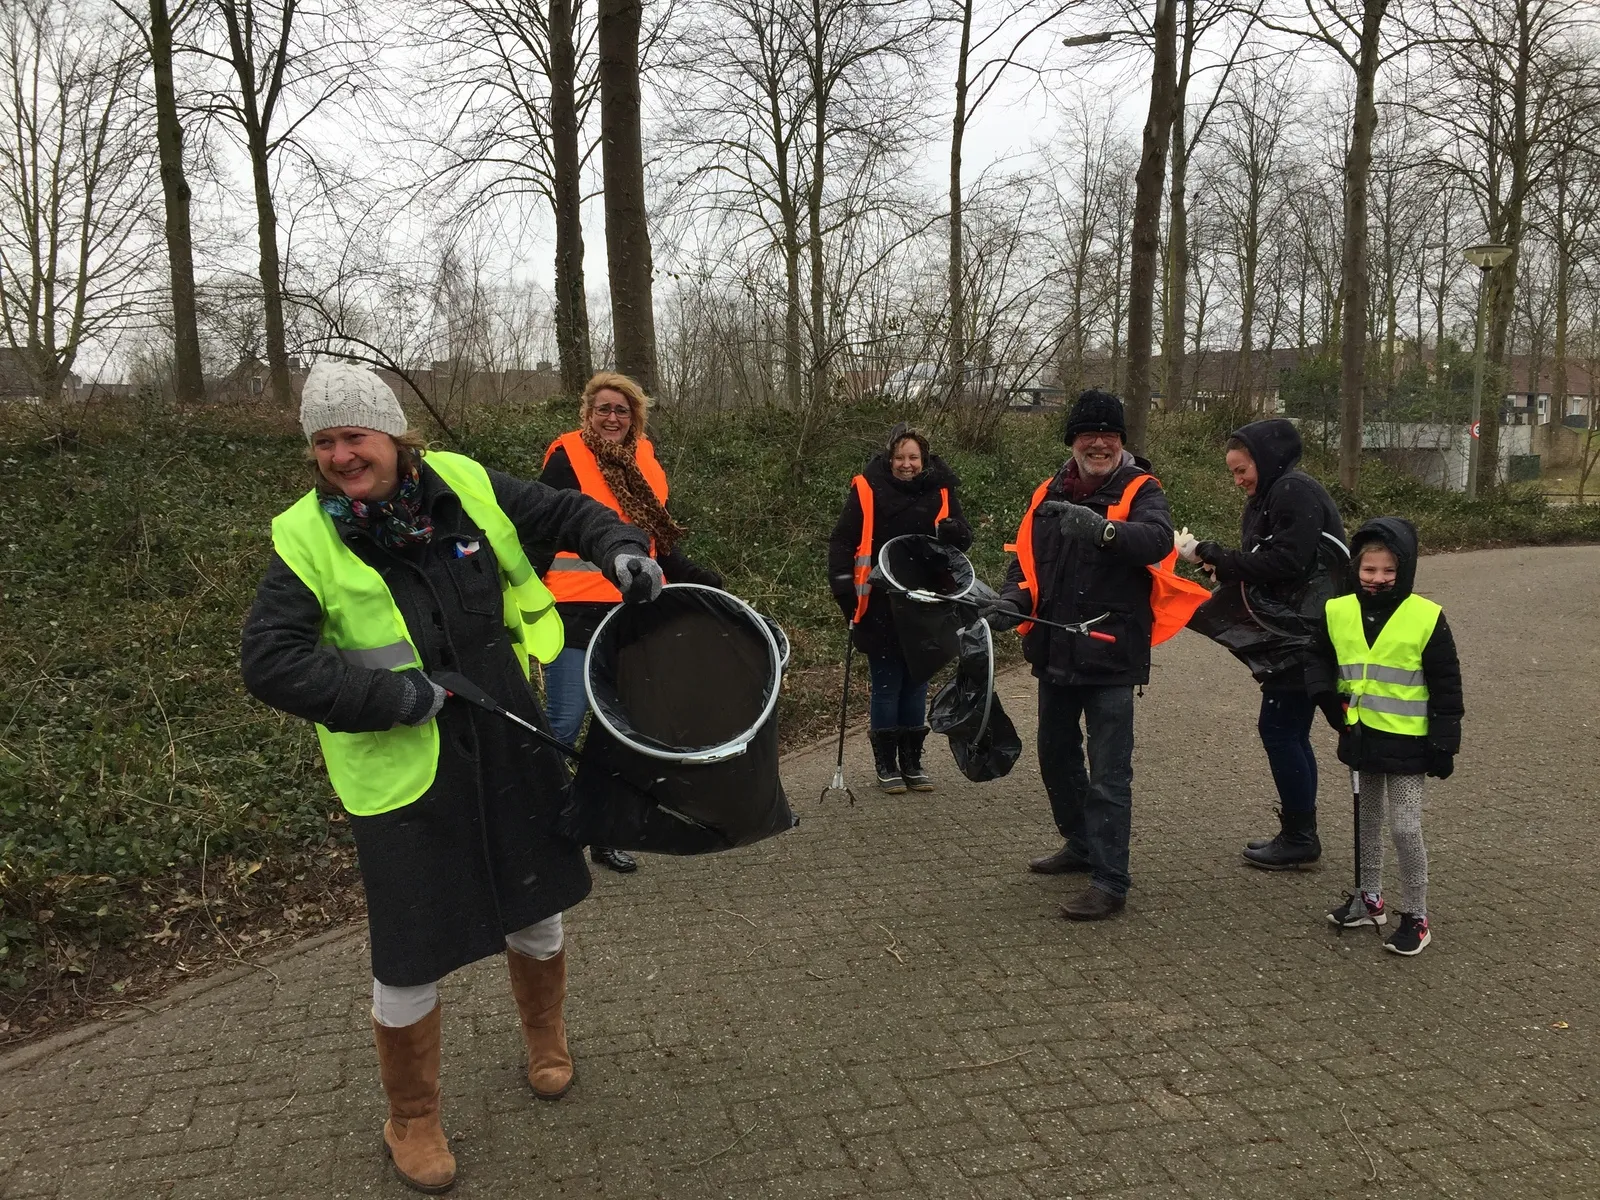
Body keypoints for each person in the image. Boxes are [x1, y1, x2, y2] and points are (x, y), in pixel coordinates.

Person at [241, 361, 662, 1194]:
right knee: (409, 952)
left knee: (536, 905)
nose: (338, 455)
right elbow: (270, 662)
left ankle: (546, 1039)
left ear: (393, 436)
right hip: (401, 769)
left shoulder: (465, 483)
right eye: (322, 442)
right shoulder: (305, 537)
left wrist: (620, 552)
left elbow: (573, 509)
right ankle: (413, 1117)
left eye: (352, 436)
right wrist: (390, 695)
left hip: (505, 731)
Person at [984, 390, 1177, 920]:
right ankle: (1080, 842)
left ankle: (1111, 879)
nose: (1099, 443)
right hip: (1054, 651)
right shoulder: (1045, 493)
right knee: (1056, 756)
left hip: (1112, 654)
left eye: (1110, 435)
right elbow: (1026, 562)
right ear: (1072, 440)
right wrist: (1009, 602)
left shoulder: (1142, 488)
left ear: (1121, 441)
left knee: (1110, 772)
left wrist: (1105, 530)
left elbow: (1158, 540)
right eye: (1089, 434)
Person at [536, 371, 722, 875]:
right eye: (603, 409)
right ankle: (549, 827)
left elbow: (656, 542)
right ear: (587, 413)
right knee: (564, 723)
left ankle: (604, 830)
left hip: (632, 614)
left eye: (622, 409)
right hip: (574, 614)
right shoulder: (567, 456)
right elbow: (537, 529)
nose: (612, 417)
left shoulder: (648, 463)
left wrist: (703, 580)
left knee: (620, 732)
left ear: (635, 416)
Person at [1177, 418, 1347, 870]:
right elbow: (1263, 563)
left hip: (1304, 635)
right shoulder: (1271, 495)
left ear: (1265, 459)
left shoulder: (1293, 490)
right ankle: (1300, 831)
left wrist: (1216, 554)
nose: (1238, 481)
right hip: (1296, 631)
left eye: (1241, 470)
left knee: (1279, 730)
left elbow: (1288, 561)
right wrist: (1222, 565)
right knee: (1289, 730)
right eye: (1233, 473)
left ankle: (1300, 836)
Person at [1306, 517, 1462, 956]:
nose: (1377, 579)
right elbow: (1316, 656)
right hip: (1360, 736)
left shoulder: (1426, 616)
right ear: (1356, 569)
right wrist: (1324, 696)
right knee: (1366, 822)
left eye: (1388, 571)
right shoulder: (1337, 610)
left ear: (1406, 570)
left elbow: (1447, 685)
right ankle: (1369, 899)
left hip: (1412, 744)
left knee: (1405, 829)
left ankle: (1417, 915)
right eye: (1369, 570)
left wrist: (1445, 742)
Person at [827, 423, 972, 793]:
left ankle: (912, 761)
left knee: (917, 684)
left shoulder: (941, 490)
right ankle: (886, 763)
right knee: (887, 686)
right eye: (900, 457)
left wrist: (957, 532)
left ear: (923, 459)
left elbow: (961, 540)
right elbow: (843, 541)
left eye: (913, 457)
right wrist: (844, 589)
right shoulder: (866, 488)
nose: (906, 464)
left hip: (926, 604)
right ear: (889, 458)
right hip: (879, 603)